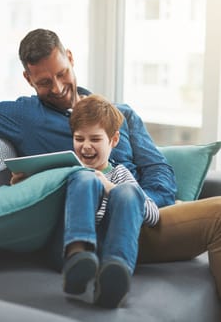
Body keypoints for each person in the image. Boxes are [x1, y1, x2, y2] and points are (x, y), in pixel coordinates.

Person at [0, 28, 221, 303]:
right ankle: (82, 258)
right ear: (28, 79)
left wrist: (143, 202)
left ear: (70, 58)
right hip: (86, 222)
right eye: (43, 82)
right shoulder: (25, 117)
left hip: (139, 215)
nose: (57, 88)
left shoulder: (120, 114)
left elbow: (159, 171)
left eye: (61, 73)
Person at [62, 94, 159, 307]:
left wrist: (110, 188)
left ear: (113, 140)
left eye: (95, 139)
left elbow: (153, 214)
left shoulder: (119, 173)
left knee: (127, 192)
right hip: (70, 242)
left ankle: (115, 273)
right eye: (79, 139)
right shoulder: (67, 169)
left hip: (108, 245)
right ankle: (77, 257)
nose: (86, 146)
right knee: (84, 178)